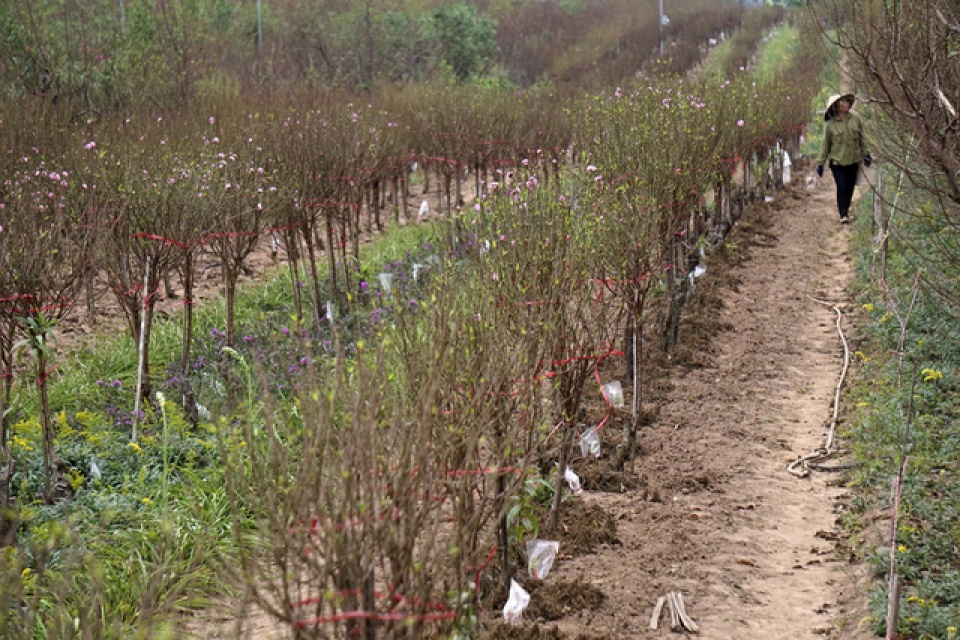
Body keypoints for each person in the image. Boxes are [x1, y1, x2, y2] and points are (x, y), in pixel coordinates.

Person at [816, 93, 871, 223]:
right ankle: (843, 214)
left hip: (853, 160)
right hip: (837, 162)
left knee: (850, 186)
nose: (845, 104)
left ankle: (846, 208)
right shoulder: (830, 125)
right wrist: (820, 163)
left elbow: (862, 138)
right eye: (842, 102)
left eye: (846, 102)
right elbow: (825, 145)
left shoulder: (856, 120)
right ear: (836, 107)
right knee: (841, 187)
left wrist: (866, 153)